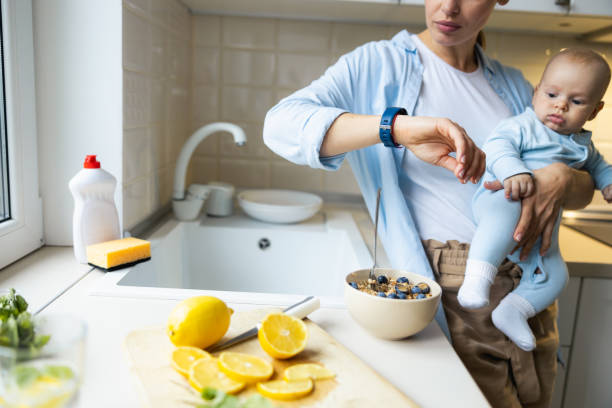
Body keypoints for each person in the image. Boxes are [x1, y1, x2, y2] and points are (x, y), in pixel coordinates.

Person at [263, 1, 596, 406]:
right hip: (458, 291)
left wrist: (562, 178)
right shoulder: (378, 63)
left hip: (532, 284)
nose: (448, 6)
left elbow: (582, 183)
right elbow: (280, 125)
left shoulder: (514, 86)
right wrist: (396, 128)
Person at [458, 48, 612, 352]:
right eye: (552, 94)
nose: (561, 106)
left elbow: (598, 167)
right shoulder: (523, 125)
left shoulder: (582, 143)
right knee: (505, 214)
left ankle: (513, 310)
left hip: (542, 232)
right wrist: (514, 172)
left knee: (556, 275)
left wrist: (608, 182)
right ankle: (476, 279)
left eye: (577, 102)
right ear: (536, 92)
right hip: (500, 201)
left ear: (594, 111)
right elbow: (498, 146)